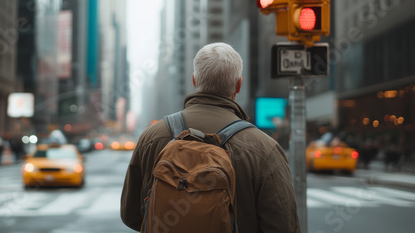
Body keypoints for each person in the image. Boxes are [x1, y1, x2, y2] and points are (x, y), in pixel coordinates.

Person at [121, 42, 300, 232]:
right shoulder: (264, 149)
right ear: (238, 85)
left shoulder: (152, 137)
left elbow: (130, 214)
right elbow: (283, 226)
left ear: (194, 81)